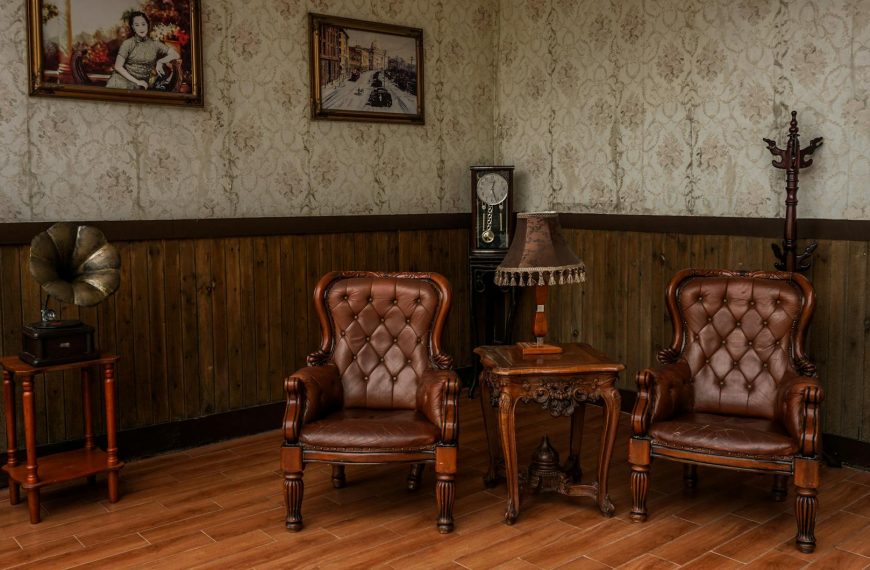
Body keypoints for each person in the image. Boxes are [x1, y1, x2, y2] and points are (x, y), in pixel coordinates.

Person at [105, 11, 179, 90]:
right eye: (137, 25)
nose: (141, 28)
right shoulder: (128, 43)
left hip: (140, 86)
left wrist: (160, 61)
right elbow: (118, 66)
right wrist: (137, 81)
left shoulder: (155, 44)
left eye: (143, 24)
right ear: (133, 27)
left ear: (147, 25)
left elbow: (175, 54)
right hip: (120, 83)